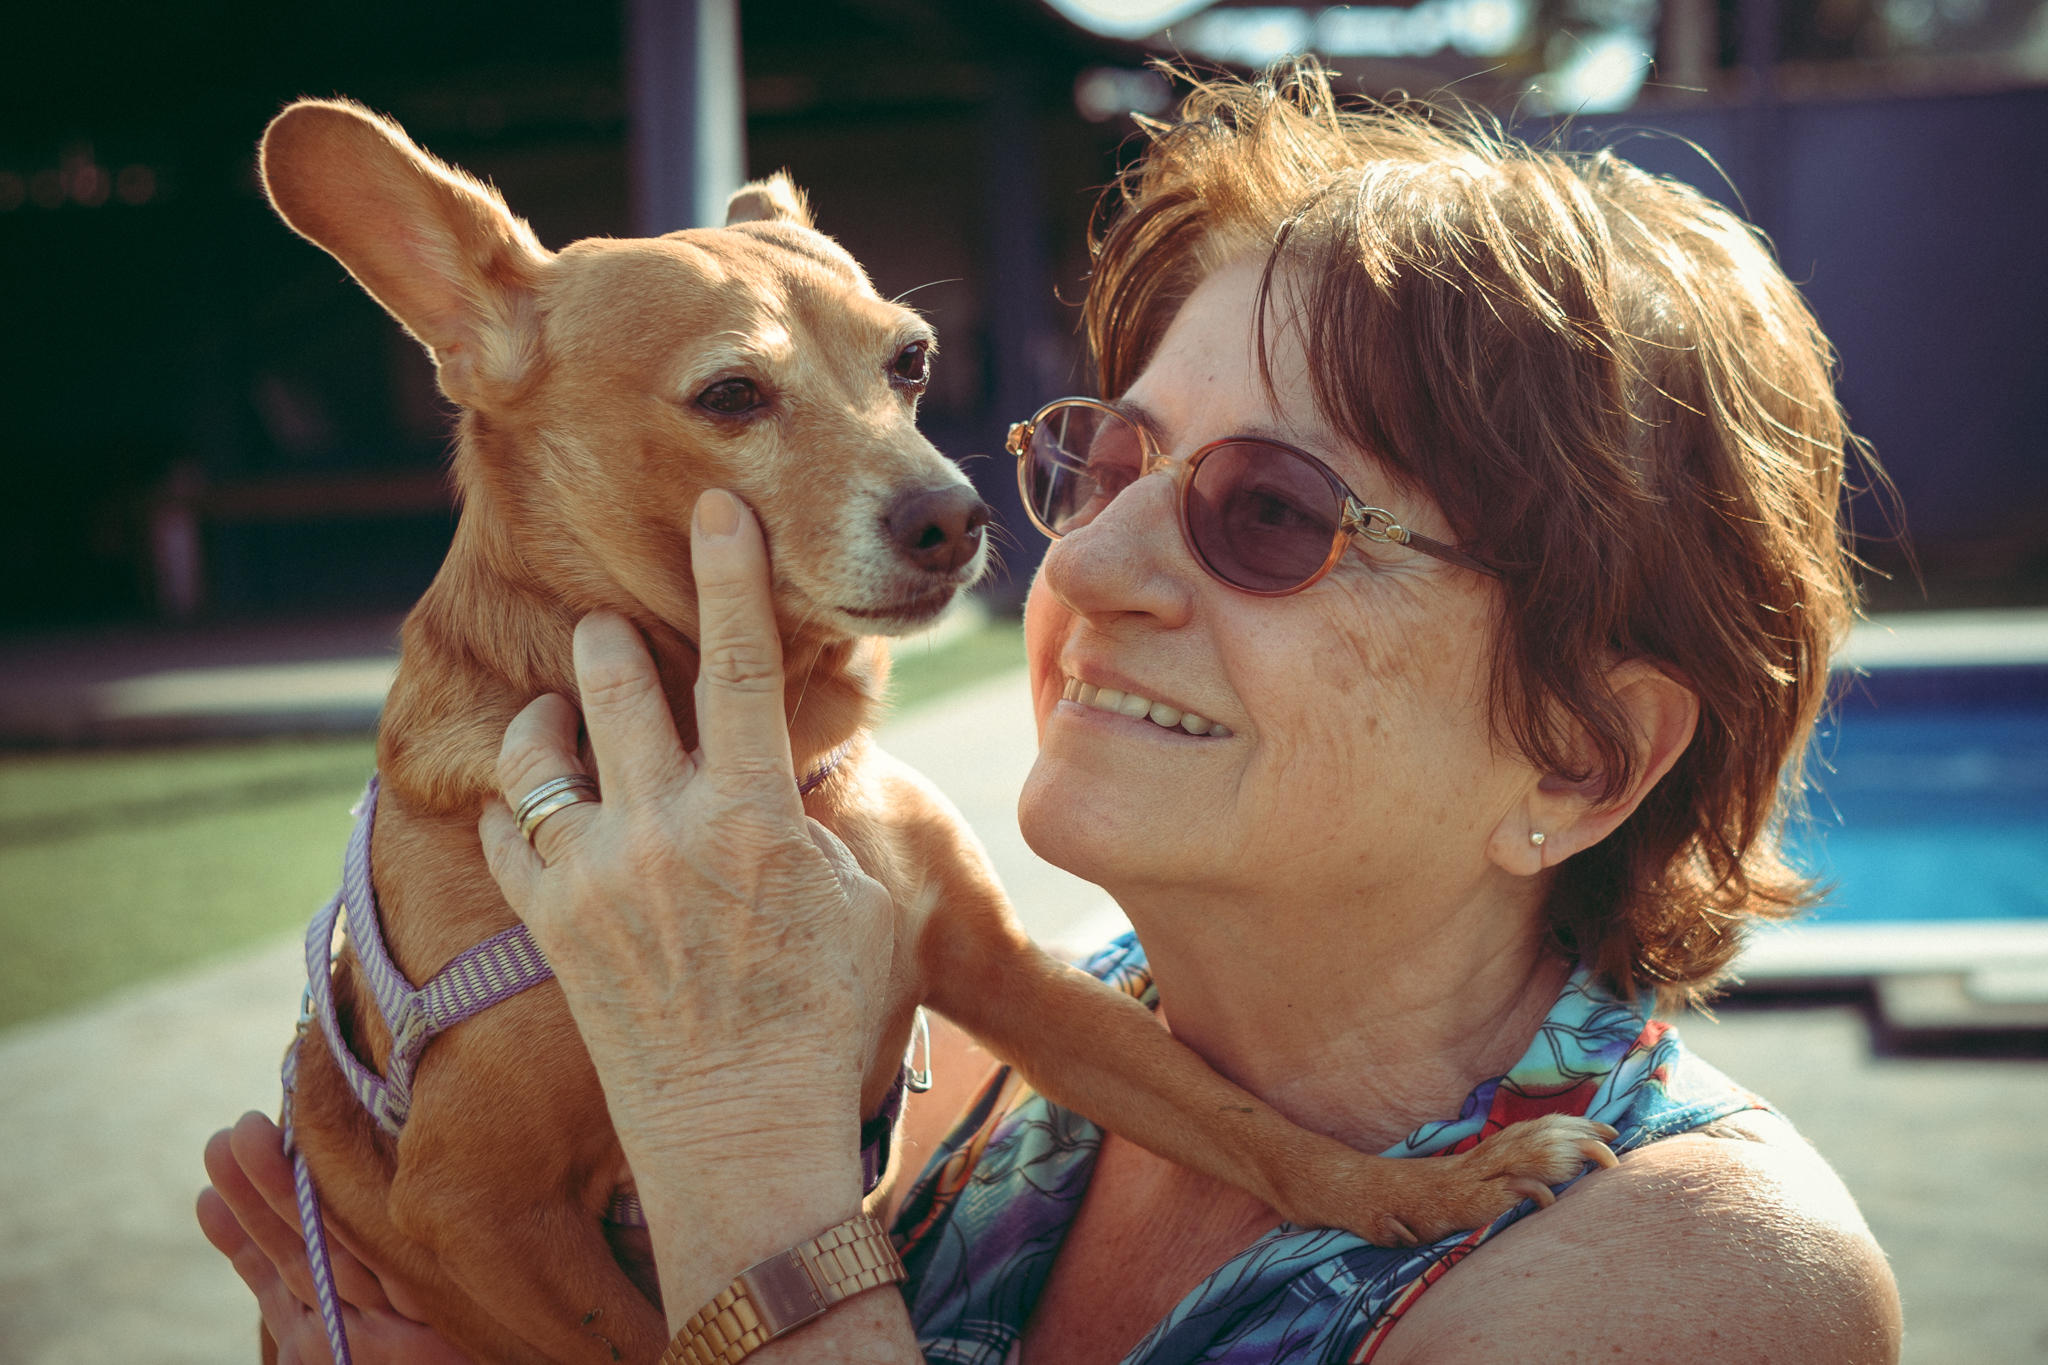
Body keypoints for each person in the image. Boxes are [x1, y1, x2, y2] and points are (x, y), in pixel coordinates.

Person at [200, 62, 1903, 1364]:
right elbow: (482, 1219)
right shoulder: (962, 1080)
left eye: (1273, 514)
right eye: (1112, 457)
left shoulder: (1697, 1286)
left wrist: (742, 1163)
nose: (1079, 553)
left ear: (1582, 754)